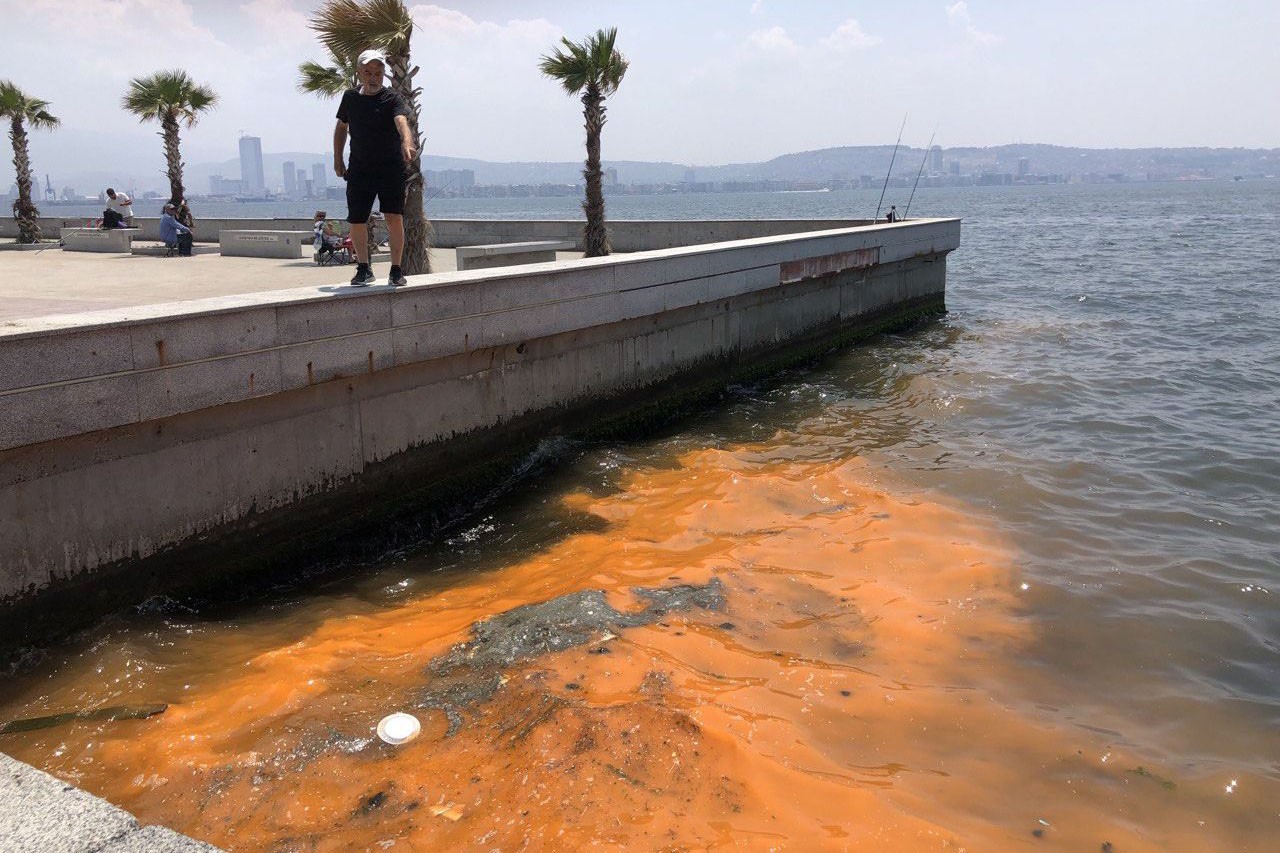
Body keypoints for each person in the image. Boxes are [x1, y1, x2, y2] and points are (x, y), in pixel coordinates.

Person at [333, 48, 417, 287]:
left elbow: (401, 121)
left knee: (393, 216)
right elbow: (341, 127)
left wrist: (407, 142)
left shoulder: (392, 98)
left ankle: (396, 270)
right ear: (359, 73)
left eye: (378, 72)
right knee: (357, 219)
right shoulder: (350, 98)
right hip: (359, 168)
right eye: (368, 72)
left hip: (390, 168)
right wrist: (337, 159)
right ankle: (363, 268)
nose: (374, 77)